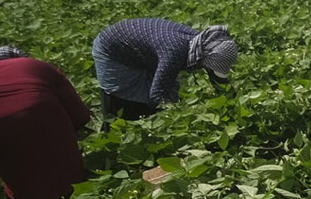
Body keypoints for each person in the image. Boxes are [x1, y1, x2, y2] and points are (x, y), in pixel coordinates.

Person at [0, 46, 92, 199]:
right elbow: (79, 114)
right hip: (34, 109)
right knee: (62, 163)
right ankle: (72, 197)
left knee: (14, 166)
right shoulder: (36, 65)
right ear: (20, 57)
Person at [91, 17, 239, 122]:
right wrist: (184, 115)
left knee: (169, 88)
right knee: (130, 99)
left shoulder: (203, 44)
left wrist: (232, 102)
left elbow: (218, 78)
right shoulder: (175, 52)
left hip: (140, 50)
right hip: (112, 50)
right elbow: (158, 96)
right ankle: (121, 127)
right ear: (204, 59)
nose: (204, 69)